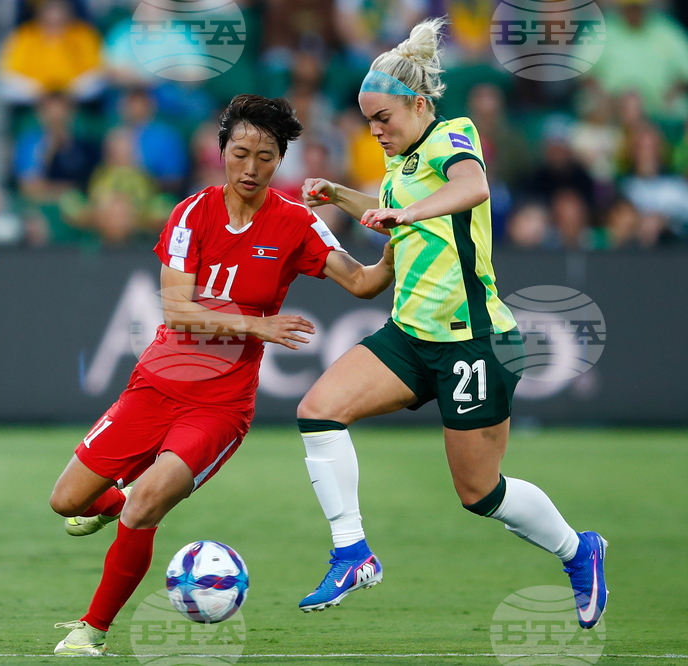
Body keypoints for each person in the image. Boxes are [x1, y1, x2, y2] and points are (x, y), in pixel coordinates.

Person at [48, 94, 394, 656]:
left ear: (280, 160)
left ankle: (93, 630)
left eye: (265, 156)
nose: (251, 168)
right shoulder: (191, 213)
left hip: (218, 409)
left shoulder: (297, 223)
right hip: (154, 387)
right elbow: (177, 309)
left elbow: (363, 284)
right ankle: (119, 503)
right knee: (66, 502)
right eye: (241, 153)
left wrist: (400, 242)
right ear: (222, 152)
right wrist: (260, 327)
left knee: (144, 507)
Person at [296, 18, 608, 630]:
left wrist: (406, 210)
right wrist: (338, 193)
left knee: (479, 494)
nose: (375, 130)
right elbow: (390, 216)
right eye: (367, 121)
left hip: (476, 341)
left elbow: (473, 187)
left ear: (417, 104)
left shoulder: (450, 137)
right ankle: (352, 551)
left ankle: (580, 551)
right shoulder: (400, 166)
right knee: (317, 410)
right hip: (411, 336)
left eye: (383, 117)